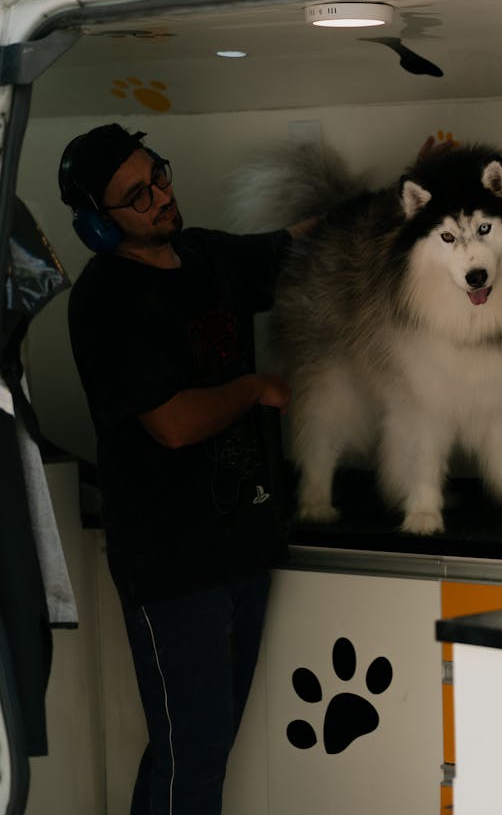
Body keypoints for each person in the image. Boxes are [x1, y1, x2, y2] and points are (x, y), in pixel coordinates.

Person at [58, 123, 315, 815]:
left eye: (159, 175)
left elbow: (296, 247)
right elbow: (171, 423)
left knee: (198, 747)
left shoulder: (204, 256)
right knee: (193, 756)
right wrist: (255, 388)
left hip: (239, 545)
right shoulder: (107, 300)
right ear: (98, 225)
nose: (160, 197)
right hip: (172, 563)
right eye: (136, 196)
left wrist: (404, 198)